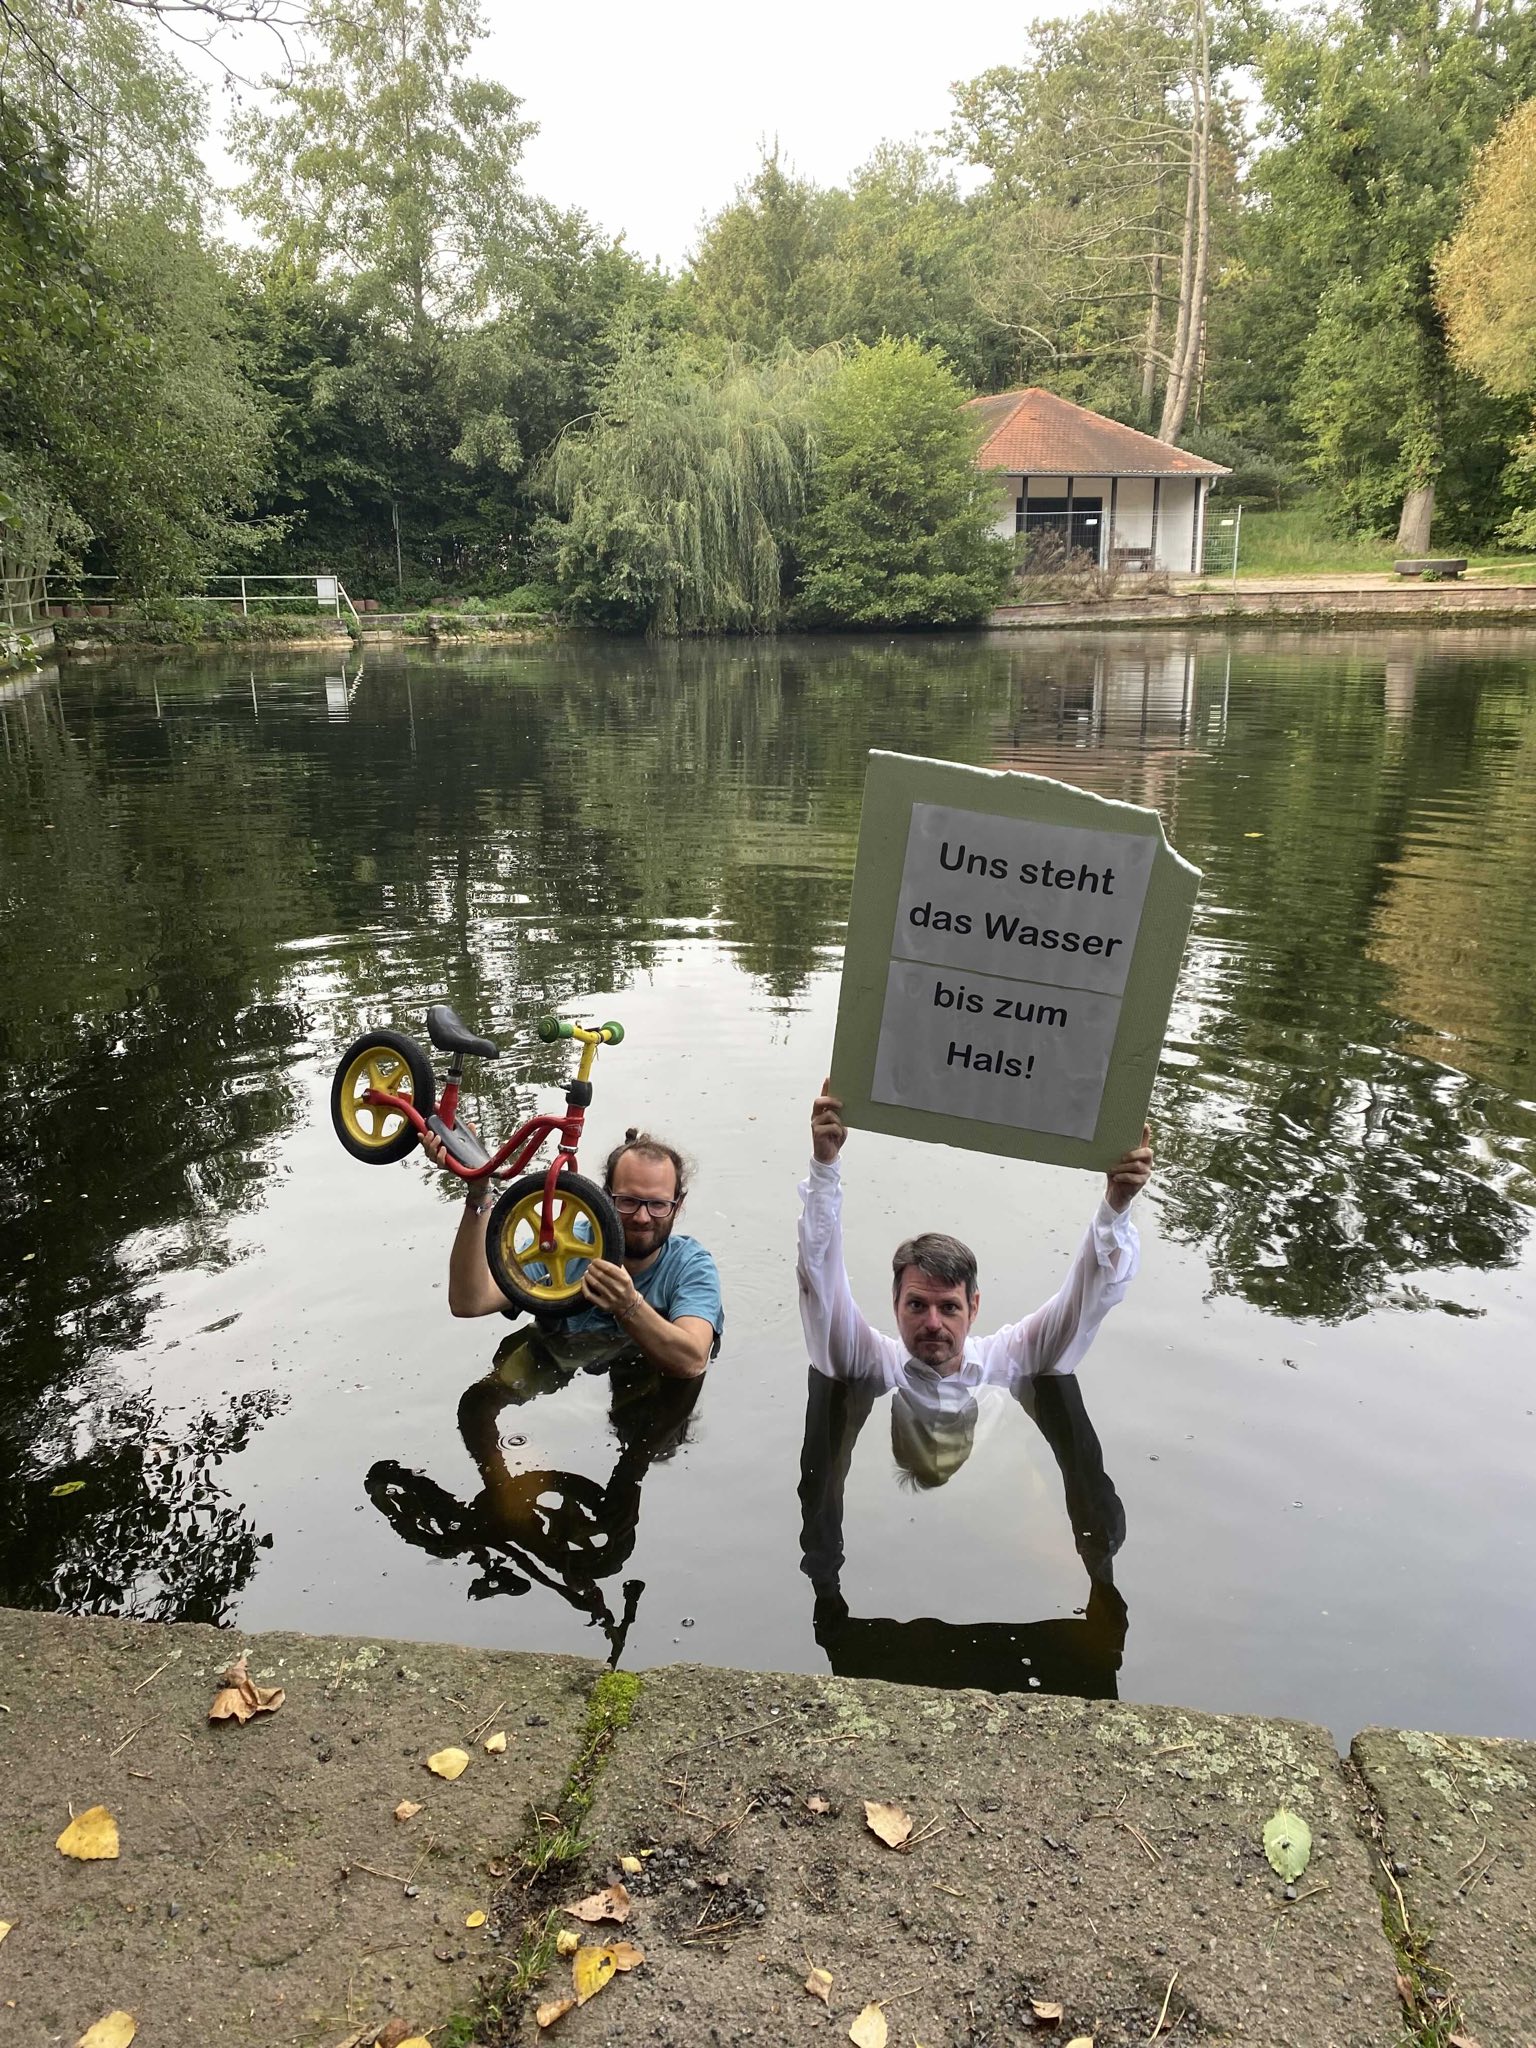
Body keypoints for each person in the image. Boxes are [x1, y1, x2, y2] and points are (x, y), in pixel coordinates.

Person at [799, 1081, 1152, 1391]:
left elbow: (1086, 1300)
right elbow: (820, 1280)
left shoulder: (1007, 1363)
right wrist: (825, 1165)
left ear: (974, 1307)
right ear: (895, 1304)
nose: (933, 1323)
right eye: (917, 1305)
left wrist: (1116, 1206)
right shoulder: (870, 1364)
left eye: (950, 1307)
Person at [422, 1124, 722, 1378]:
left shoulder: (691, 1266)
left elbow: (692, 1361)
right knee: (481, 1405)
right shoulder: (561, 1248)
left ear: (677, 1206)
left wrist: (628, 1305)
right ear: (604, 1198)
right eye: (628, 1201)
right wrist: (478, 1191)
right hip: (558, 1352)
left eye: (658, 1204)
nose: (642, 1217)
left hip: (650, 1372)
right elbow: (469, 1303)